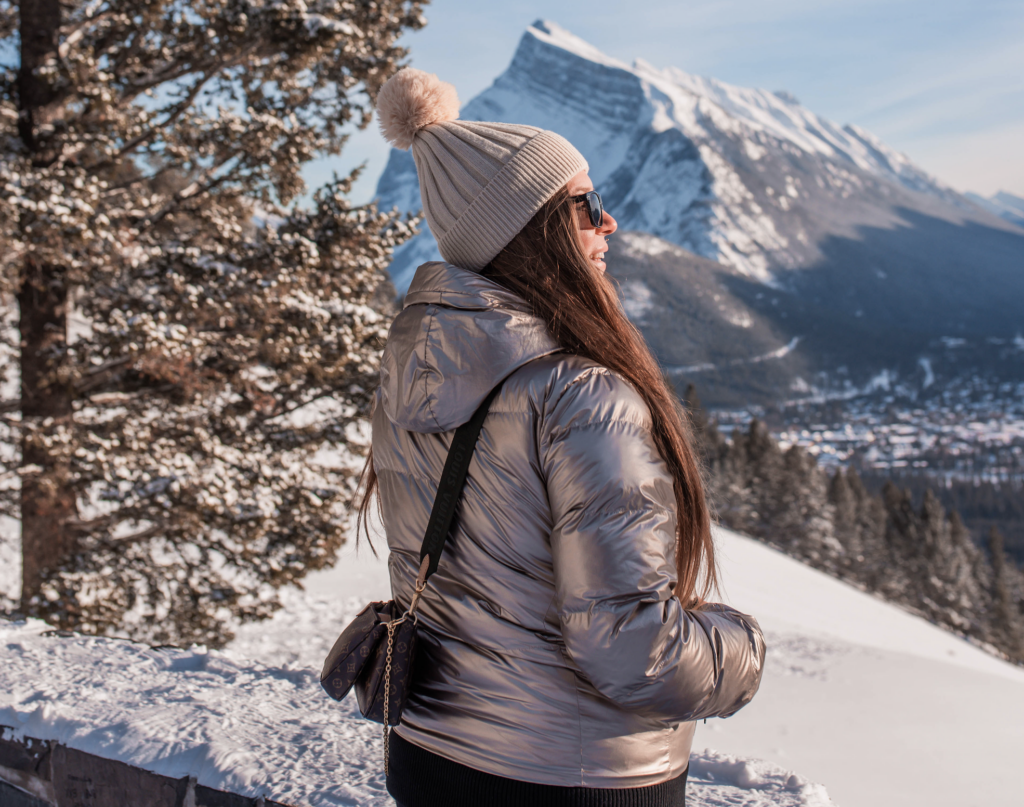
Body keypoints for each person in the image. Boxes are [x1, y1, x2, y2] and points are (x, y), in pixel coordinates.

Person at [361, 67, 766, 807]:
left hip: (429, 752)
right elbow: (632, 650)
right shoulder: (581, 393)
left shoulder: (412, 360)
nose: (607, 223)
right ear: (534, 224)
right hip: (567, 776)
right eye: (588, 204)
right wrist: (739, 646)